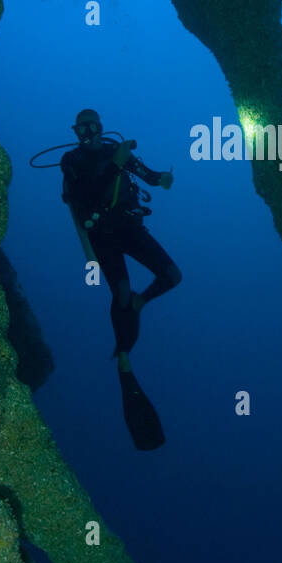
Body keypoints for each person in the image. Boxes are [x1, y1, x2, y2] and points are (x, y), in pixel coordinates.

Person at [61, 108, 181, 447]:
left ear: (101, 127)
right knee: (122, 292)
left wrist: (162, 179)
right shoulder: (71, 161)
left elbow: (144, 172)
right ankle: (124, 359)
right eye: (82, 128)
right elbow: (85, 196)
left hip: (129, 227)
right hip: (101, 235)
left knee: (172, 275)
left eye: (93, 126)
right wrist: (117, 161)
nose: (89, 132)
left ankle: (141, 303)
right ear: (76, 132)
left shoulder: (116, 151)